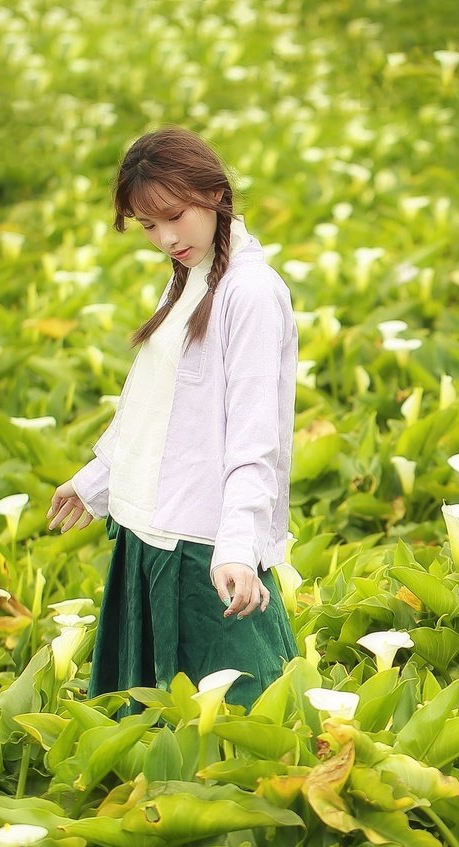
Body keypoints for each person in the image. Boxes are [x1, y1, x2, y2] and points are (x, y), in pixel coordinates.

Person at [44, 126, 299, 714]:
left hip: (204, 547)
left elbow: (255, 438)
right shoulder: (190, 278)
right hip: (150, 533)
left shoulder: (251, 293)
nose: (165, 238)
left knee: (245, 725)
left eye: (175, 216)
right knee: (156, 733)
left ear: (213, 193)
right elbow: (155, 406)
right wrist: (98, 479)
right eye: (148, 225)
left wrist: (237, 546)